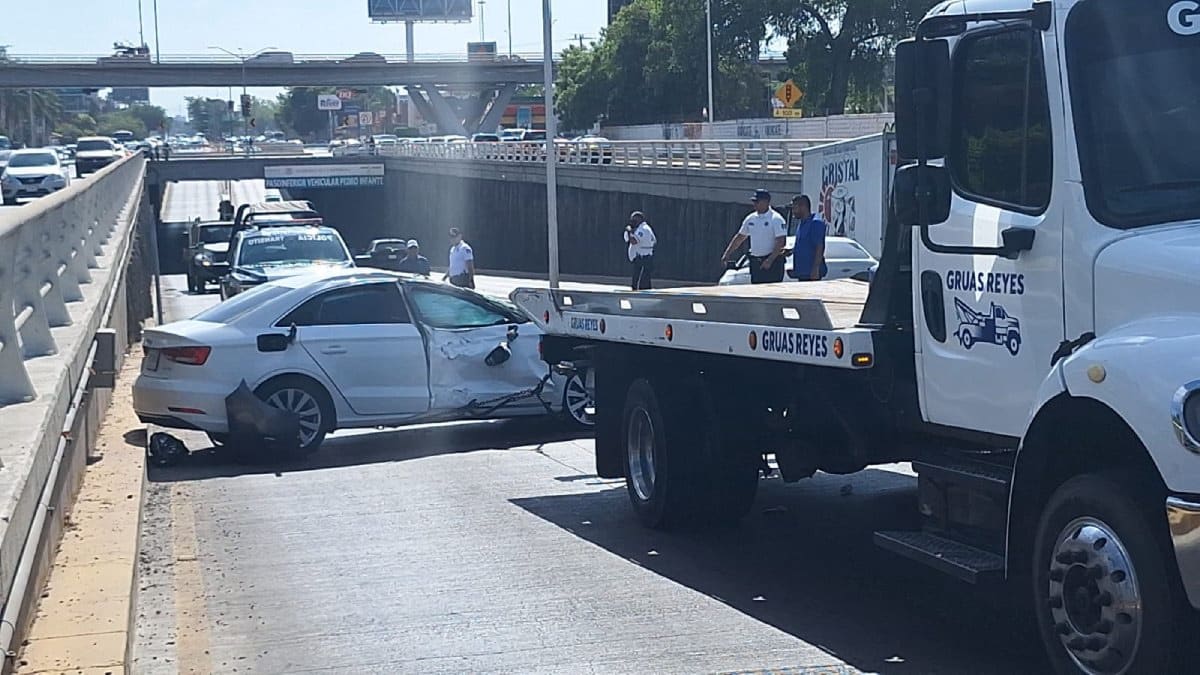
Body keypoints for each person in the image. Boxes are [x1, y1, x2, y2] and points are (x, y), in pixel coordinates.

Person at [720, 189, 787, 284]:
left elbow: (781, 242)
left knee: (772, 290)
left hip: (773, 263)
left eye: (757, 201)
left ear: (766, 202)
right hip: (756, 263)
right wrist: (727, 254)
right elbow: (740, 237)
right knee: (756, 289)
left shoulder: (776, 219)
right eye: (754, 201)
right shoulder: (751, 218)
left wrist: (770, 260)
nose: (754, 204)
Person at [788, 195, 828, 281]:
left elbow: (819, 247)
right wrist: (791, 251)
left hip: (811, 273)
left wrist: (815, 268)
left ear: (803, 207)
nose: (793, 211)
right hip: (802, 272)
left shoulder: (815, 223)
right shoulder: (802, 223)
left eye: (794, 208)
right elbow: (805, 244)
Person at [624, 211, 656, 290]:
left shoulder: (643, 229)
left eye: (634, 220)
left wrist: (629, 231)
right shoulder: (642, 228)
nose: (632, 222)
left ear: (639, 219)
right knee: (644, 279)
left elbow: (634, 241)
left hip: (643, 258)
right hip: (644, 257)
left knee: (639, 280)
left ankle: (638, 293)